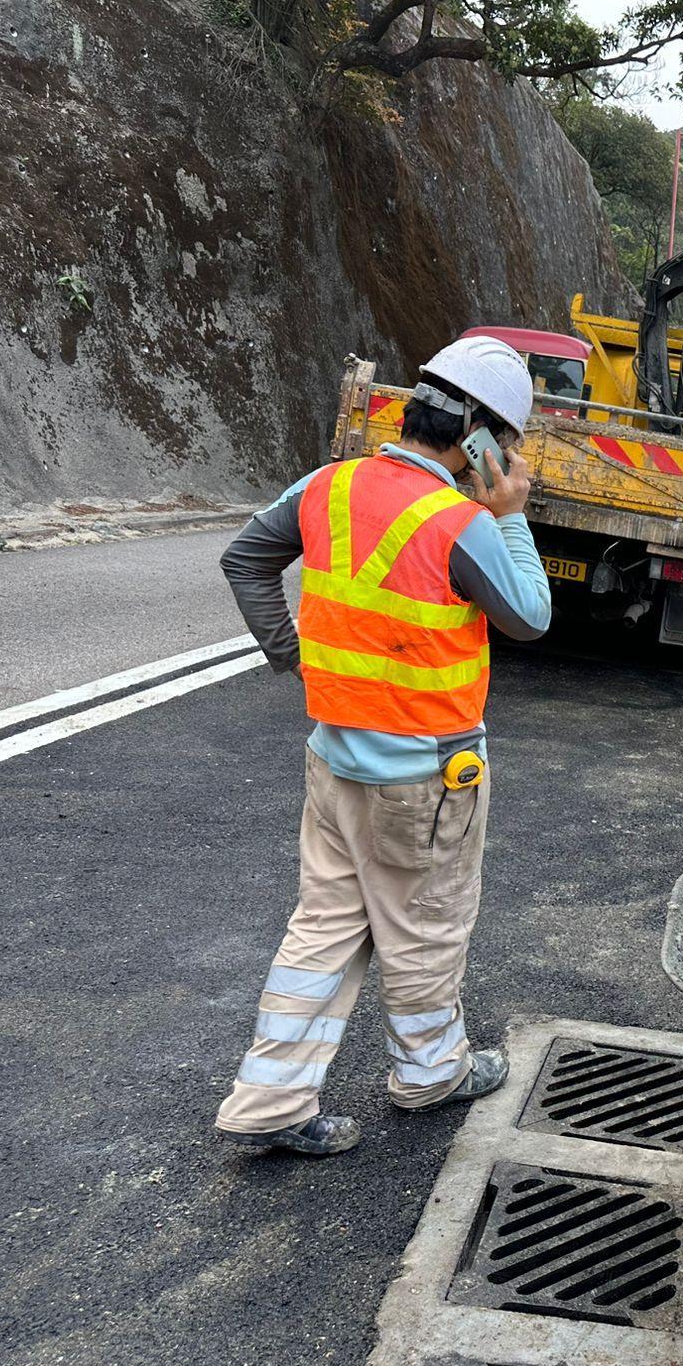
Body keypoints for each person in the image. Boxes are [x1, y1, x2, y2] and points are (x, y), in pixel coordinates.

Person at [213, 337, 553, 1156]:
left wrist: (294, 655)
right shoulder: (460, 522)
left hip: (334, 760)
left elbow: (245, 558)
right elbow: (530, 616)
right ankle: (431, 1074)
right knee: (426, 924)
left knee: (324, 925)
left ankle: (270, 1101)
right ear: (480, 436)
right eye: (505, 441)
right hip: (425, 780)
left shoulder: (327, 485)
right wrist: (510, 514)